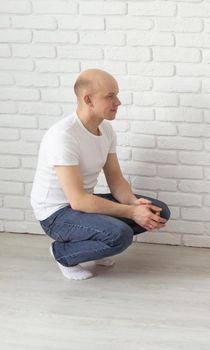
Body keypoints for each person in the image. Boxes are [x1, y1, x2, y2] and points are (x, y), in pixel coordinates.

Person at [30, 69, 171, 281]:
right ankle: (62, 253)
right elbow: (78, 200)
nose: (118, 102)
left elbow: (116, 180)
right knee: (120, 235)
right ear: (88, 100)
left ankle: (100, 246)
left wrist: (134, 203)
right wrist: (132, 213)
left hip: (82, 205)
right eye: (110, 96)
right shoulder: (63, 136)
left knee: (158, 211)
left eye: (116, 94)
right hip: (56, 214)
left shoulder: (106, 130)